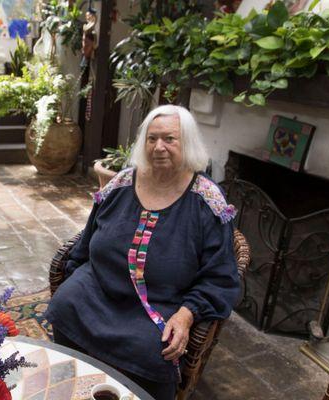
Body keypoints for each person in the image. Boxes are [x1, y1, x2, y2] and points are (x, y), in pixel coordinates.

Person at [45, 105, 240, 400]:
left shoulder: (207, 201)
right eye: (152, 138)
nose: (158, 147)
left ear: (186, 142)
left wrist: (187, 314)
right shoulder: (121, 184)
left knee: (154, 349)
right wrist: (76, 280)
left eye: (170, 139)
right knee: (66, 304)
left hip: (159, 303)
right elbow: (87, 240)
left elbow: (220, 276)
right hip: (100, 288)